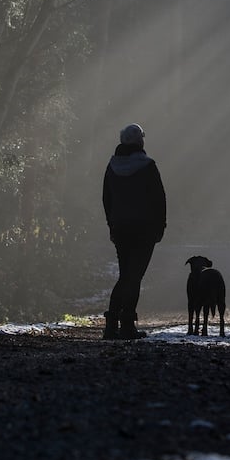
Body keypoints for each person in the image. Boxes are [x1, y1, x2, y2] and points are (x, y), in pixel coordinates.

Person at [101, 123, 166, 340]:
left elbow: (106, 199)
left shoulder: (112, 166)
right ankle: (127, 324)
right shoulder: (147, 166)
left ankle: (111, 324)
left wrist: (112, 224)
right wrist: (160, 226)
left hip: (120, 229)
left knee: (125, 275)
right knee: (134, 276)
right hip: (144, 229)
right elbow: (159, 199)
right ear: (140, 141)